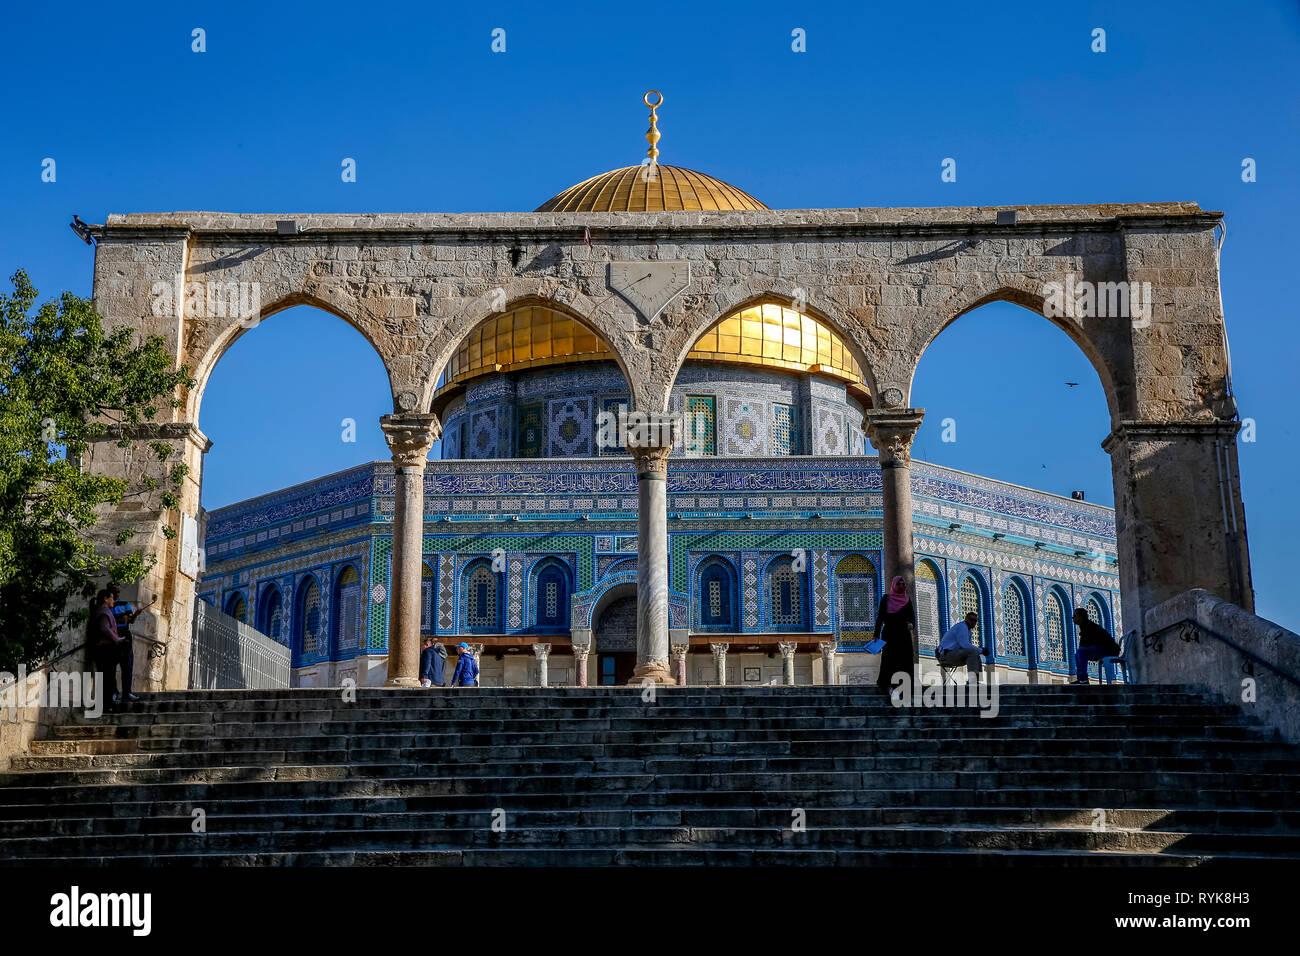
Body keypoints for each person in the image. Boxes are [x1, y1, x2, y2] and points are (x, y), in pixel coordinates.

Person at [873, 575, 916, 690]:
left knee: (904, 659)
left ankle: (904, 684)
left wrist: (912, 624)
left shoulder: (907, 600)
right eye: (899, 584)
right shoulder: (886, 598)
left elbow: (912, 616)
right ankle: (888, 684)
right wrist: (876, 634)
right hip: (890, 633)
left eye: (903, 584)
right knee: (889, 658)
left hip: (903, 634)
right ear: (893, 585)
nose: (901, 586)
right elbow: (880, 617)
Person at [90, 589, 128, 710]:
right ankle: (105, 704)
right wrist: (116, 639)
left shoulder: (103, 611)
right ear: (105, 599)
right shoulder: (104, 612)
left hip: (105, 649)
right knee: (107, 677)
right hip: (105, 650)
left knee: (107, 677)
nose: (113, 600)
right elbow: (104, 628)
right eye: (111, 597)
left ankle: (106, 703)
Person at [107, 583, 141, 704]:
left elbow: (130, 620)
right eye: (114, 591)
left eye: (118, 591)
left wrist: (135, 615)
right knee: (111, 667)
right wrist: (122, 619)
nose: (117, 594)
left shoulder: (124, 604)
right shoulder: (107, 605)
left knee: (127, 665)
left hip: (125, 635)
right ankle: (114, 692)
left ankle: (127, 692)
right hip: (112, 636)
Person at [1070, 608, 1121, 685]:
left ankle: (1083, 679)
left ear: (1081, 617)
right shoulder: (1085, 626)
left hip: (1109, 650)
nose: (1073, 618)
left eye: (1074, 616)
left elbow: (1086, 645)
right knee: (1078, 654)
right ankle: (1081, 678)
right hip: (1102, 649)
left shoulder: (1089, 627)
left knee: (1080, 652)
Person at [938, 611, 986, 684]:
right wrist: (981, 650)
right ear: (966, 619)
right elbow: (965, 645)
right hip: (946, 656)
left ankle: (976, 680)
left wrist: (979, 651)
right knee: (973, 651)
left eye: (975, 621)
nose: (973, 622)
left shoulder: (968, 630)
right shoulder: (962, 627)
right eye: (971, 620)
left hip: (954, 655)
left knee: (975, 653)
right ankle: (972, 681)